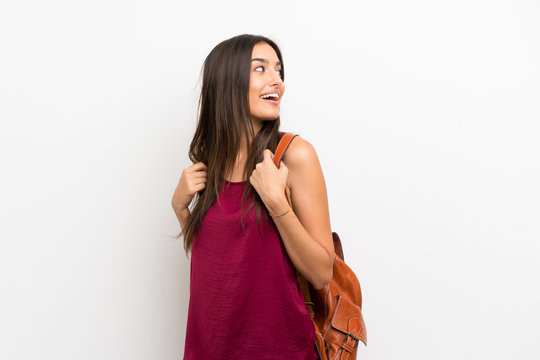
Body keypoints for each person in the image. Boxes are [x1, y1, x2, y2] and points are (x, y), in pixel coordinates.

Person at [171, 34, 334, 360]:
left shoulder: (293, 156)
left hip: (279, 349)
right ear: (227, 81)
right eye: (260, 69)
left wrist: (277, 204)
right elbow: (221, 263)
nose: (277, 81)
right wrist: (180, 208)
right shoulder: (211, 162)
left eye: (278, 71)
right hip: (211, 347)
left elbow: (321, 272)